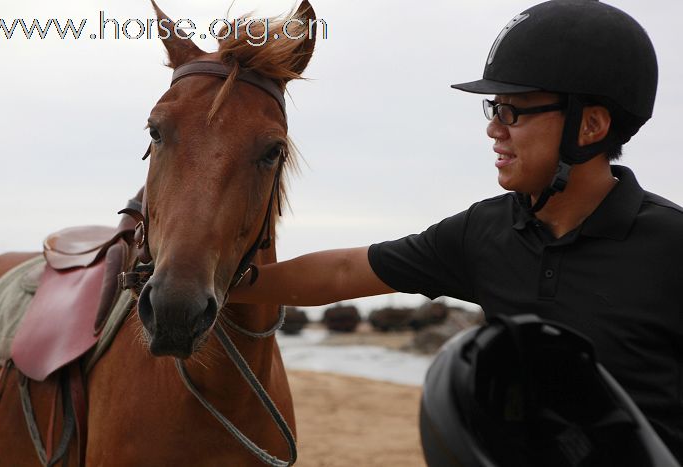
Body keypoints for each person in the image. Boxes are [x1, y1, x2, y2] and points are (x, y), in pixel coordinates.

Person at [229, 0, 683, 461]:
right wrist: (207, 285)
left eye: (512, 111)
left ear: (590, 125)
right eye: (493, 107)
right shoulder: (483, 233)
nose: (492, 129)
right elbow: (345, 271)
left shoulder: (671, 246)